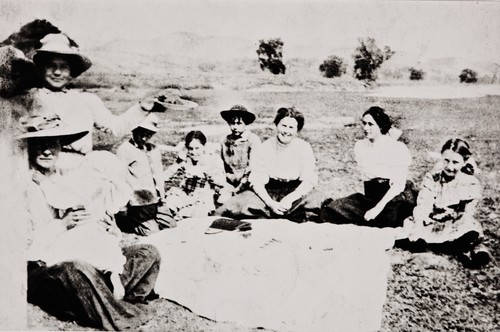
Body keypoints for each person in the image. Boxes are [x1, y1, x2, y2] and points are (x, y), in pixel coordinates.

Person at [20, 114, 161, 330]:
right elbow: (22, 248)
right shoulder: (21, 186)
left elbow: (94, 216)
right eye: (39, 144)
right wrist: (63, 225)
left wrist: (113, 230)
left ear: (60, 146)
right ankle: (119, 313)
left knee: (149, 252)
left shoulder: (64, 179)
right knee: (76, 269)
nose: (47, 150)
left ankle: (98, 298)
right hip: (44, 268)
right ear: (29, 146)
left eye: (52, 144)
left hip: (84, 261)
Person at [29, 33, 190, 170]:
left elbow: (116, 127)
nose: (57, 72)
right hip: (38, 174)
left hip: (79, 174)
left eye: (63, 67)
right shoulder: (27, 100)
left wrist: (143, 107)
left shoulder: (86, 101)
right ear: (41, 67)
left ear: (72, 71)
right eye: (51, 66)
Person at [216, 106, 322, 222]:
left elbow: (309, 180)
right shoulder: (265, 147)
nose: (286, 131)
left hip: (295, 192)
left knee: (317, 200)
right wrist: (270, 203)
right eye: (283, 126)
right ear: (277, 125)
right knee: (234, 205)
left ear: (297, 130)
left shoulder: (304, 148)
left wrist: (290, 199)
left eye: (291, 127)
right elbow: (257, 181)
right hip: (268, 192)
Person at [320, 106, 417, 228]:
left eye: (371, 124)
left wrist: (377, 208)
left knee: (387, 220)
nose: (365, 128)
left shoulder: (397, 148)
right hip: (370, 197)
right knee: (330, 211)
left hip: (391, 197)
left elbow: (398, 185)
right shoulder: (361, 146)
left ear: (381, 126)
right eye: (364, 123)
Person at [402, 138, 490, 267]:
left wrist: (452, 219)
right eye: (446, 161)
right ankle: (456, 248)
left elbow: (467, 213)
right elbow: (423, 205)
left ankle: (466, 248)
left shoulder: (470, 183)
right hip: (432, 222)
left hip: (455, 223)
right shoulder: (432, 178)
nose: (450, 167)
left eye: (455, 162)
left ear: (464, 162)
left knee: (469, 228)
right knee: (412, 228)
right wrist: (419, 224)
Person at [116, 114, 175, 235]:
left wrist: (162, 198)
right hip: (138, 203)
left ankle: (150, 220)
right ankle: (128, 222)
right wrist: (123, 206)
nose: (144, 138)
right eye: (141, 133)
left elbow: (158, 175)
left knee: (171, 226)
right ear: (134, 130)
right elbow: (119, 179)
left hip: (155, 201)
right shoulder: (124, 150)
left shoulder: (154, 149)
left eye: (148, 134)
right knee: (152, 231)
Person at [162, 130, 227, 221]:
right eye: (190, 148)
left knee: (192, 216)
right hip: (185, 193)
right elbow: (165, 177)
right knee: (168, 207)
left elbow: (222, 182)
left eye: (197, 148)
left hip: (203, 195)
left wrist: (209, 173)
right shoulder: (185, 159)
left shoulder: (213, 159)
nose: (193, 152)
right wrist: (177, 163)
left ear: (204, 146)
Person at [220, 105, 261, 195]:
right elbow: (221, 165)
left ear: (245, 123)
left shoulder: (252, 140)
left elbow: (253, 168)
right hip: (229, 182)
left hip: (247, 183)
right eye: (232, 123)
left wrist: (239, 187)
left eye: (239, 124)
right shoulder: (225, 140)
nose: (235, 127)